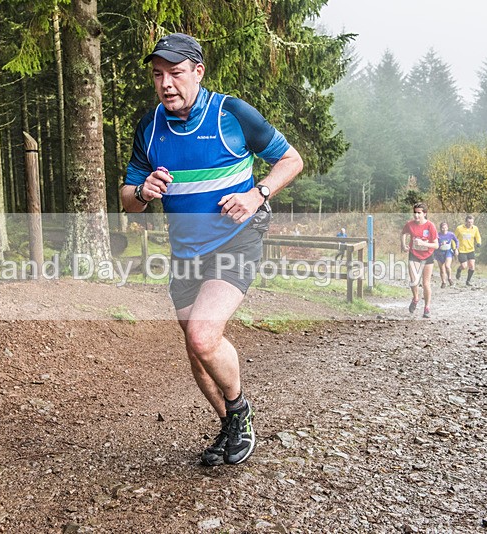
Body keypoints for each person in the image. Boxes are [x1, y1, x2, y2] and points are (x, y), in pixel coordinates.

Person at [120, 33, 303, 466]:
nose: (166, 84)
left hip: (236, 239)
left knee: (204, 335)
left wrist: (258, 193)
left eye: (176, 73)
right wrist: (143, 192)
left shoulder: (231, 114)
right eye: (158, 75)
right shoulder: (149, 128)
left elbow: (291, 159)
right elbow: (128, 201)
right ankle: (228, 425)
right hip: (186, 252)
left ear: (198, 73)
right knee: (196, 351)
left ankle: (241, 413)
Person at [400, 202, 438, 318]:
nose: (416, 215)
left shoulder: (430, 226)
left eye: (419, 213)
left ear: (424, 214)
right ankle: (416, 298)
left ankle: (427, 308)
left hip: (427, 255)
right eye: (415, 213)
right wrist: (403, 245)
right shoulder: (410, 224)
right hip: (414, 254)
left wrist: (422, 243)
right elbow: (403, 233)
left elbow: (436, 245)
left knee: (426, 283)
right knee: (414, 280)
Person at [455, 215, 482, 286]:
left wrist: (479, 242)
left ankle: (468, 281)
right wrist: (455, 248)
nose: (470, 224)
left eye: (471, 222)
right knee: (464, 266)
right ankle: (459, 270)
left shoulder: (475, 228)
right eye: (469, 222)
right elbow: (454, 238)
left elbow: (478, 236)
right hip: (462, 250)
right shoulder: (459, 228)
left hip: (470, 249)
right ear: (466, 222)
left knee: (472, 266)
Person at [435, 222, 459, 288]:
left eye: (445, 228)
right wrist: (441, 244)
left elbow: (457, 241)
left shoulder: (451, 234)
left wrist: (456, 249)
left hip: (448, 251)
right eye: (443, 228)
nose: (444, 229)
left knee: (447, 266)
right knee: (442, 269)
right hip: (439, 252)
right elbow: (434, 243)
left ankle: (450, 278)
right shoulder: (437, 235)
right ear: (440, 228)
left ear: (447, 228)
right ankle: (443, 282)